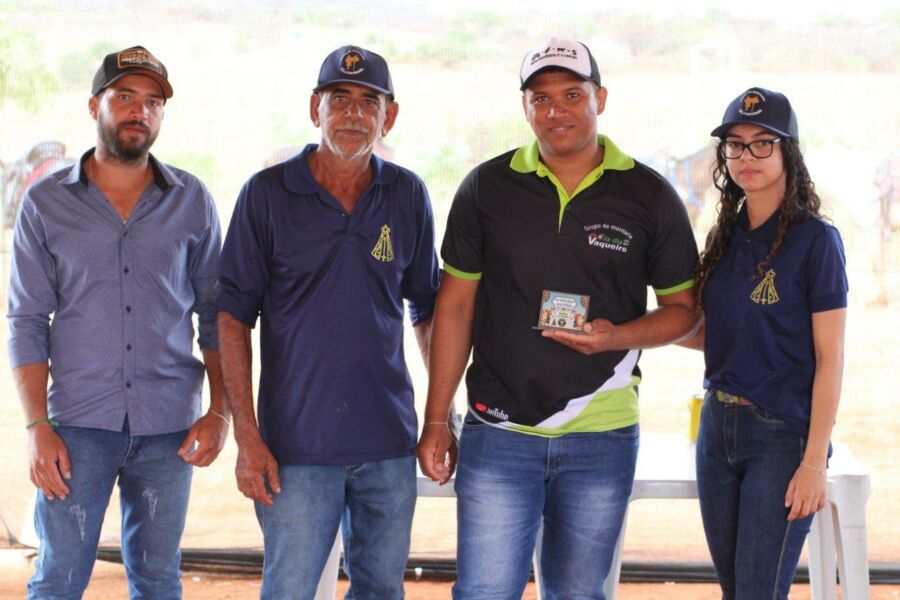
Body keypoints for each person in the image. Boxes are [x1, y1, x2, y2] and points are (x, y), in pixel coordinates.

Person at [417, 37, 700, 599]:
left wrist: (616, 337)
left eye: (572, 94)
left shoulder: (648, 195)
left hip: (602, 433)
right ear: (525, 107)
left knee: (578, 594)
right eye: (540, 98)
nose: (556, 111)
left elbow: (683, 313)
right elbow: (454, 306)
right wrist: (436, 420)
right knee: (484, 592)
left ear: (600, 99)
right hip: (499, 431)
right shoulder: (486, 187)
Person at [217, 45, 440, 599]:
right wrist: (247, 435)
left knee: (381, 590)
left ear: (389, 116)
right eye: (339, 99)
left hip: (388, 443)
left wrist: (442, 416)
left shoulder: (407, 193)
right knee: (290, 590)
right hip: (294, 447)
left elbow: (428, 309)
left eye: (369, 101)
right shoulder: (266, 195)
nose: (353, 114)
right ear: (314, 107)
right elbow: (232, 318)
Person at [7, 46, 227, 598]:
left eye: (153, 102)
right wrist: (37, 429)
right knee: (57, 579)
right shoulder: (45, 203)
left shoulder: (192, 201)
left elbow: (216, 315)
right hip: (77, 426)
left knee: (158, 580)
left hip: (169, 428)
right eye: (125, 96)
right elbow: (27, 319)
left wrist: (219, 411)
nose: (139, 111)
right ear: (94, 106)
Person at [682, 87, 847, 599]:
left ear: (787, 151)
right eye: (735, 144)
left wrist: (813, 462)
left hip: (780, 435)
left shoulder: (816, 241)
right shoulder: (725, 236)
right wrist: (623, 331)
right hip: (716, 430)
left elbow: (831, 358)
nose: (746, 156)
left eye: (762, 143)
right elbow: (720, 335)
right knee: (737, 591)